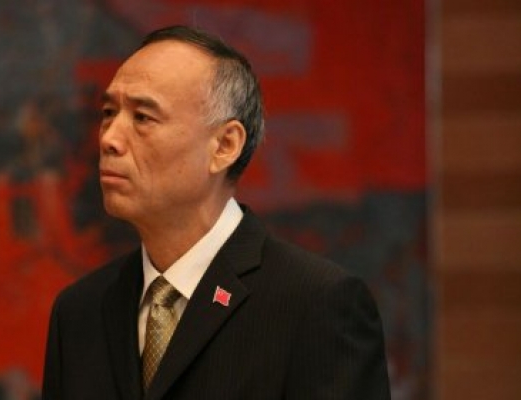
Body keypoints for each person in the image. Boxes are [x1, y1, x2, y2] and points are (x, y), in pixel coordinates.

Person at [42, 25, 391, 400]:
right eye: (109, 112)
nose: (109, 138)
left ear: (225, 146)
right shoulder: (79, 312)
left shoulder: (317, 305)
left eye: (142, 117)